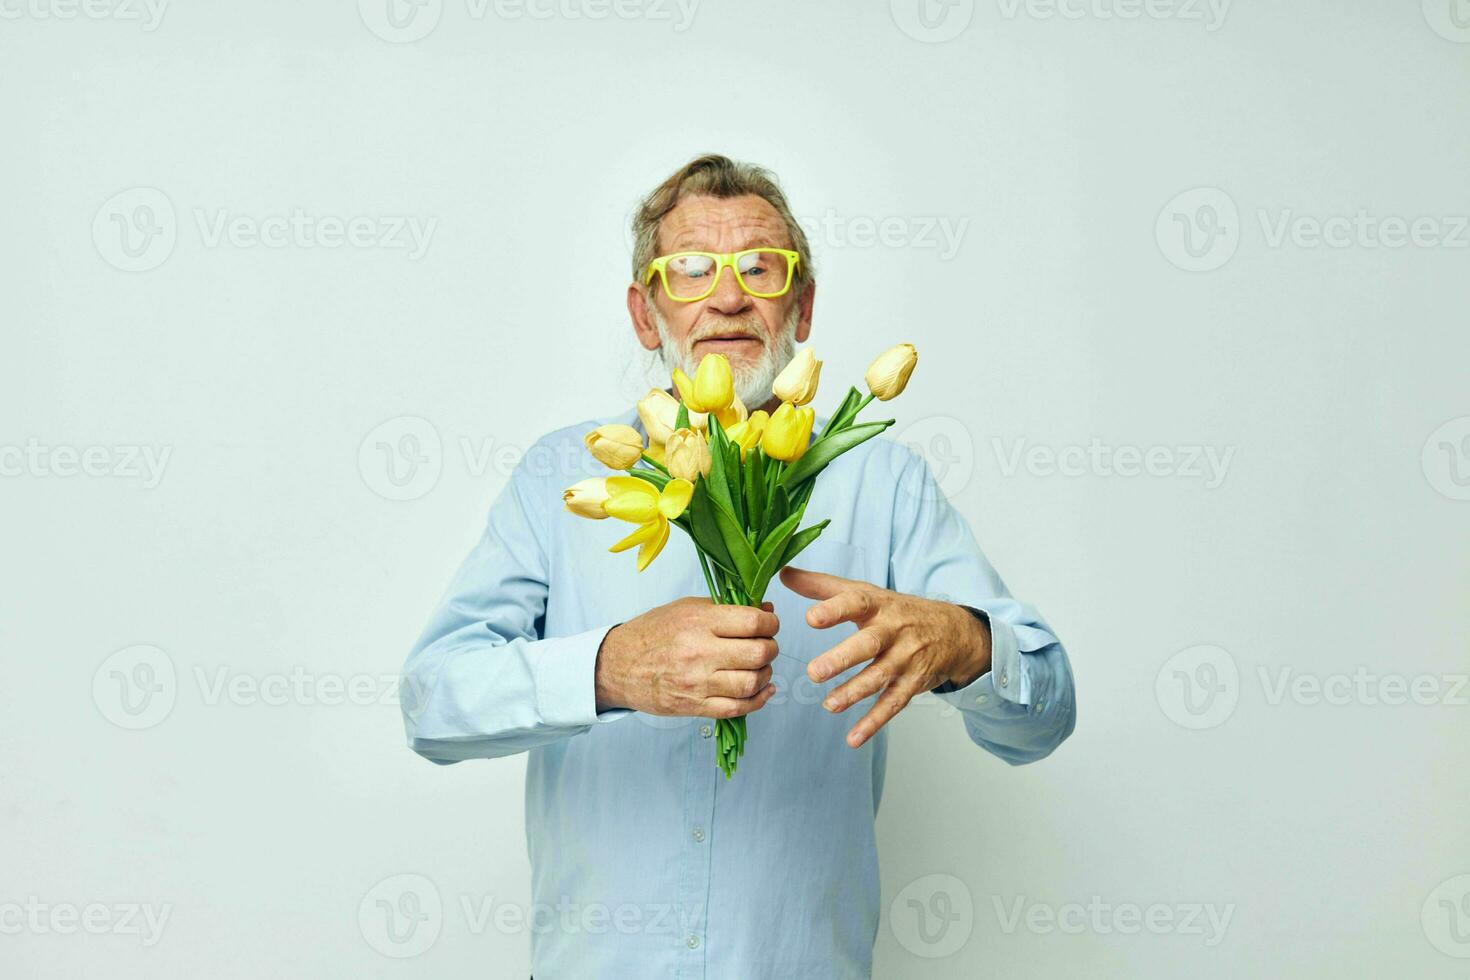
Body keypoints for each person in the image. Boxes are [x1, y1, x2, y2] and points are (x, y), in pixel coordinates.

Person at [399, 154, 1076, 979]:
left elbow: (1046, 714)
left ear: (803, 304)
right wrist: (610, 667)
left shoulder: (884, 483)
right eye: (688, 271)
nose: (726, 297)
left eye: (760, 268)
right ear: (646, 315)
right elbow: (432, 703)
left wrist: (969, 644)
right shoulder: (563, 477)